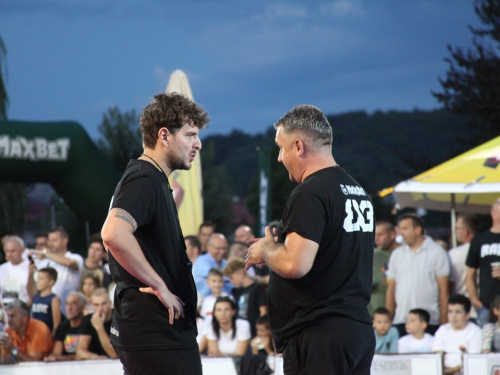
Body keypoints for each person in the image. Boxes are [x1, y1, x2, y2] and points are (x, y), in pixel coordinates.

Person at [246, 105, 375, 374]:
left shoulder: (311, 192)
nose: (279, 158)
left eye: (281, 148)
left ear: (298, 147)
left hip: (319, 333)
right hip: (355, 329)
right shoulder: (356, 190)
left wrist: (266, 250)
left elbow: (296, 264)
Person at [101, 92, 209, 375]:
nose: (198, 143)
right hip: (156, 334)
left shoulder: (150, 178)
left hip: (155, 333)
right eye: (190, 135)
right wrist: (160, 285)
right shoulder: (145, 179)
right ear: (164, 135)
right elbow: (113, 234)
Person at [386, 213, 450, 336]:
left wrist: (443, 322)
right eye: (400, 229)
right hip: (401, 321)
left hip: (429, 321)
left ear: (418, 230)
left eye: (405, 229)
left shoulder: (437, 252)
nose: (401, 233)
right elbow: (391, 289)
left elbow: (444, 290)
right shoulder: (396, 254)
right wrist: (389, 319)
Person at [29, 227, 84, 315]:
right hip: (46, 313)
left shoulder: (75, 257)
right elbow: (34, 292)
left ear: (65, 241)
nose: (50, 244)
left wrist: (44, 253)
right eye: (49, 240)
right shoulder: (45, 263)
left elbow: (70, 263)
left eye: (54, 240)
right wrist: (30, 275)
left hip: (68, 313)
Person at [466, 198, 500, 327]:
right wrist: (475, 301)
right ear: (493, 213)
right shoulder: (480, 240)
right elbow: (470, 274)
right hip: (486, 306)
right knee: (485, 344)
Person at [432, 294, 481, 375]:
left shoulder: (475, 332)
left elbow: (472, 361)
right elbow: (437, 355)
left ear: (467, 315)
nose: (453, 316)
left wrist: (448, 372)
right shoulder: (442, 330)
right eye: (450, 312)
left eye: (458, 312)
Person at [224, 258, 267, 337]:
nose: (231, 281)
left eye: (231, 277)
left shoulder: (257, 288)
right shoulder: (237, 292)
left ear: (240, 273)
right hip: (240, 334)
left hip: (254, 333)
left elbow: (263, 312)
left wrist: (260, 333)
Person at [45, 292, 87, 362]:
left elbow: (86, 354)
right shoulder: (62, 326)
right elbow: (56, 353)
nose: (69, 308)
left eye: (73, 304)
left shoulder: (88, 325)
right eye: (67, 304)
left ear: (82, 307)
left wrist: (61, 358)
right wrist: (52, 357)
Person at [76, 287, 117, 360]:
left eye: (103, 303)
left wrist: (99, 327)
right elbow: (79, 352)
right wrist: (94, 357)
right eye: (96, 305)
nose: (100, 308)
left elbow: (114, 354)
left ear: (110, 303)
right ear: (92, 305)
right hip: (97, 366)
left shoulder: (118, 319)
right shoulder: (88, 319)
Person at [370, 221, 399, 314]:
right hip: (374, 313)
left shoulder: (405, 254)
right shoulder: (371, 254)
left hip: (400, 311)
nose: (376, 239)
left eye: (380, 235)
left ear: (392, 234)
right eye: (374, 235)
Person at [449, 214, 481, 296]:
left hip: (460, 302)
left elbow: (449, 283)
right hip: (484, 300)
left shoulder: (453, 254)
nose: (455, 232)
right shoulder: (485, 250)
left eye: (457, 228)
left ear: (466, 232)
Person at [0, 236, 30, 305]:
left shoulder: (30, 267)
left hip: (23, 309)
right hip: (4, 310)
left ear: (22, 250)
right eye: (7, 251)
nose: (10, 255)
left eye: (13, 251)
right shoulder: (1, 269)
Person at [31, 267, 61, 334]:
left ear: (51, 282)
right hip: (34, 335)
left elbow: (57, 323)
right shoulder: (35, 297)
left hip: (47, 335)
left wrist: (53, 338)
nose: (38, 281)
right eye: (37, 279)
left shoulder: (54, 299)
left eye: (41, 279)